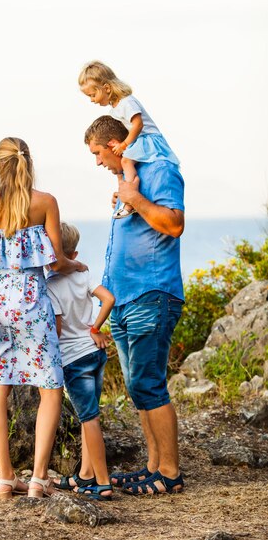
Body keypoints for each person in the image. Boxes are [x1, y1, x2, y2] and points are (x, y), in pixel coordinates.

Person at [0, 137, 87, 499]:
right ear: (28, 161)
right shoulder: (45, 202)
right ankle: (37, 479)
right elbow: (54, 261)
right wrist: (76, 264)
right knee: (49, 389)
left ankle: (6, 478)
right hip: (33, 305)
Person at [84, 115, 185, 496]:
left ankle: (170, 473)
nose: (97, 162)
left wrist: (136, 199)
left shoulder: (159, 171)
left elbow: (174, 224)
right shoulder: (127, 182)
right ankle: (154, 468)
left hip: (152, 292)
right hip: (125, 299)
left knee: (150, 385)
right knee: (137, 387)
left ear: (115, 145)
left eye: (97, 153)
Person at [46, 222, 115, 501]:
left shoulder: (50, 286)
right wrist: (95, 328)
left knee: (89, 419)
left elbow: (58, 329)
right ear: (74, 255)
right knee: (91, 416)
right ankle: (85, 475)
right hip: (95, 353)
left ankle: (103, 482)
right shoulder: (84, 274)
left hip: (73, 359)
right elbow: (108, 299)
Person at [78, 60, 180, 218]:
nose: (92, 100)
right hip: (138, 138)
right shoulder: (115, 108)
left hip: (147, 138)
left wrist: (124, 144)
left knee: (126, 161)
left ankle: (129, 200)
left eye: (93, 95)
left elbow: (138, 124)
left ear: (106, 88)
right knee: (125, 164)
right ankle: (123, 195)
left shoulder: (127, 102)